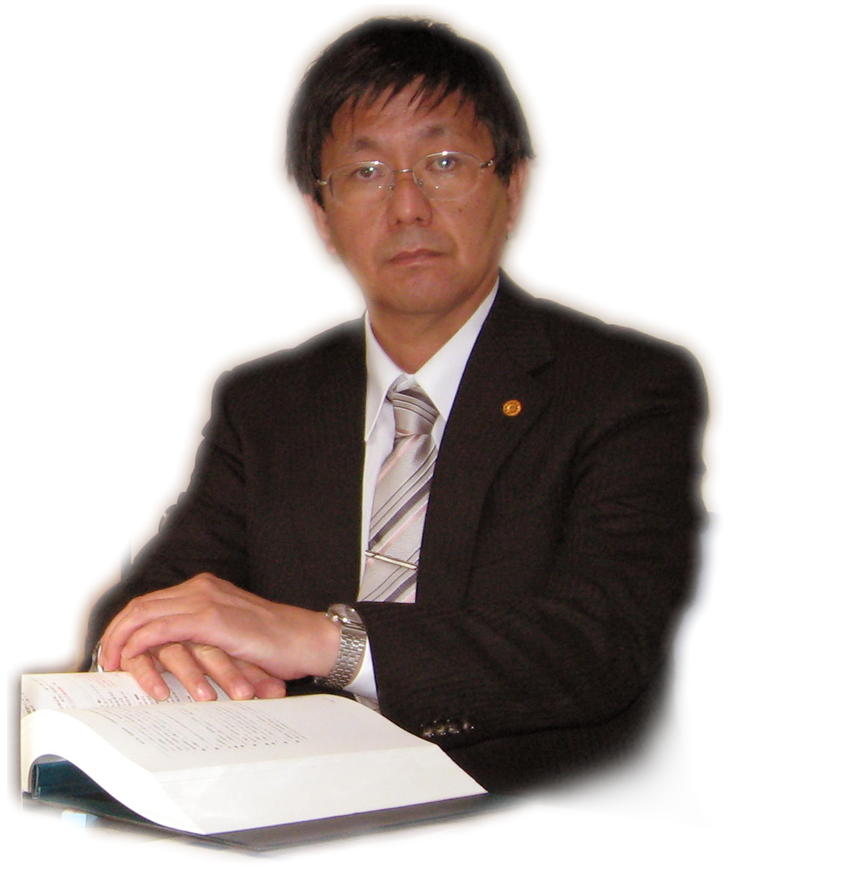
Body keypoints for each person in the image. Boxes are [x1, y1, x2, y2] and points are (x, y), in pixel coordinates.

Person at [86, 17, 706, 793]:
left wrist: (329, 642)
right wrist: (160, 645)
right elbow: (158, 598)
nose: (407, 206)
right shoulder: (267, 405)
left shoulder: (623, 387)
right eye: (366, 172)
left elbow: (600, 643)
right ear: (322, 215)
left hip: (532, 816)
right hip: (282, 807)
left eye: (443, 162)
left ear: (511, 187)